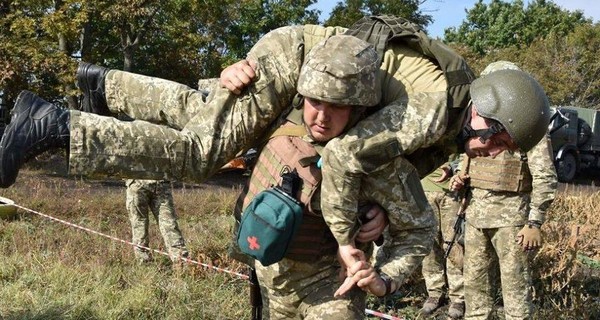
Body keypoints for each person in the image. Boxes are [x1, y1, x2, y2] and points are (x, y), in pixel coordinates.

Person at [0, 17, 550, 302]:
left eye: (504, 148)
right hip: (301, 63)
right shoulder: (433, 112)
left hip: (331, 78)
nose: (493, 151)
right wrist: (345, 242)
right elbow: (344, 162)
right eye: (497, 138)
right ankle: (55, 125)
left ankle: (105, 86)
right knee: (202, 152)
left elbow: (383, 173)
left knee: (206, 113)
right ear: (485, 109)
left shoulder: (449, 123)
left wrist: (377, 220)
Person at [448, 61, 557, 320]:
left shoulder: (527, 126)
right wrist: (459, 178)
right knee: (475, 289)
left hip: (511, 221)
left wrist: (534, 221)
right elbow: (467, 162)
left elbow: (545, 176)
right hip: (475, 215)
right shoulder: (476, 123)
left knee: (516, 291)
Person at [419, 158, 465, 318]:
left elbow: (468, 152)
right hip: (423, 189)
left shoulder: (458, 131)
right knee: (429, 245)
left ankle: (458, 297)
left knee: (453, 245)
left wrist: (456, 170)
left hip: (453, 193)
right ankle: (434, 292)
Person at [125, 179, 188, 263]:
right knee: (139, 226)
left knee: (169, 224)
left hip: (160, 185)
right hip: (137, 184)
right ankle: (144, 263)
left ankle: (181, 261)